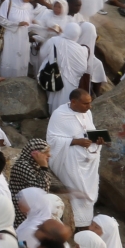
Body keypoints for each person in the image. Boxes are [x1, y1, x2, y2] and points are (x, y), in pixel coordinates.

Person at [47, 89, 103, 228]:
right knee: (75, 193)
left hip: (88, 162)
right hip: (69, 161)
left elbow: (88, 133)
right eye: (85, 104)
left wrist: (99, 140)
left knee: (87, 195)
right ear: (73, 102)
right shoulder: (60, 114)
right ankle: (73, 224)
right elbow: (52, 139)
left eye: (90, 103)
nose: (89, 106)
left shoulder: (87, 113)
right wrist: (76, 142)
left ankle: (86, 224)